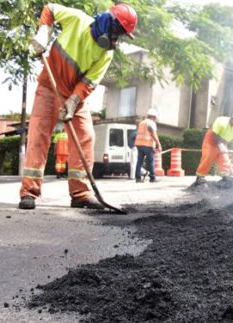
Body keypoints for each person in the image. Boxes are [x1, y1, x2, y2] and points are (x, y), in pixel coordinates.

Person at [18, 3, 137, 210]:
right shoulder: (78, 19)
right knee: (39, 135)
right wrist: (43, 33)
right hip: (49, 86)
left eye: (122, 35)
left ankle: (80, 193)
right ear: (108, 22)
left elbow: (88, 83)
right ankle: (29, 192)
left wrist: (72, 102)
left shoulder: (106, 54)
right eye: (118, 32)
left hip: (74, 95)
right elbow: (50, 9)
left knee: (85, 136)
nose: (117, 39)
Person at [194, 110, 233, 185]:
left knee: (225, 160)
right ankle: (200, 177)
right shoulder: (221, 121)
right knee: (208, 158)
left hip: (223, 144)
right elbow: (214, 134)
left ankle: (225, 177)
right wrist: (220, 144)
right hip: (211, 141)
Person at [134, 108, 162, 183]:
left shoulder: (142, 123)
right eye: (155, 118)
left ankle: (138, 178)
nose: (155, 119)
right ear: (153, 117)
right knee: (150, 161)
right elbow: (153, 134)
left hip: (139, 144)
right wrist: (158, 144)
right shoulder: (151, 123)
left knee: (139, 161)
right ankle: (152, 178)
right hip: (147, 145)